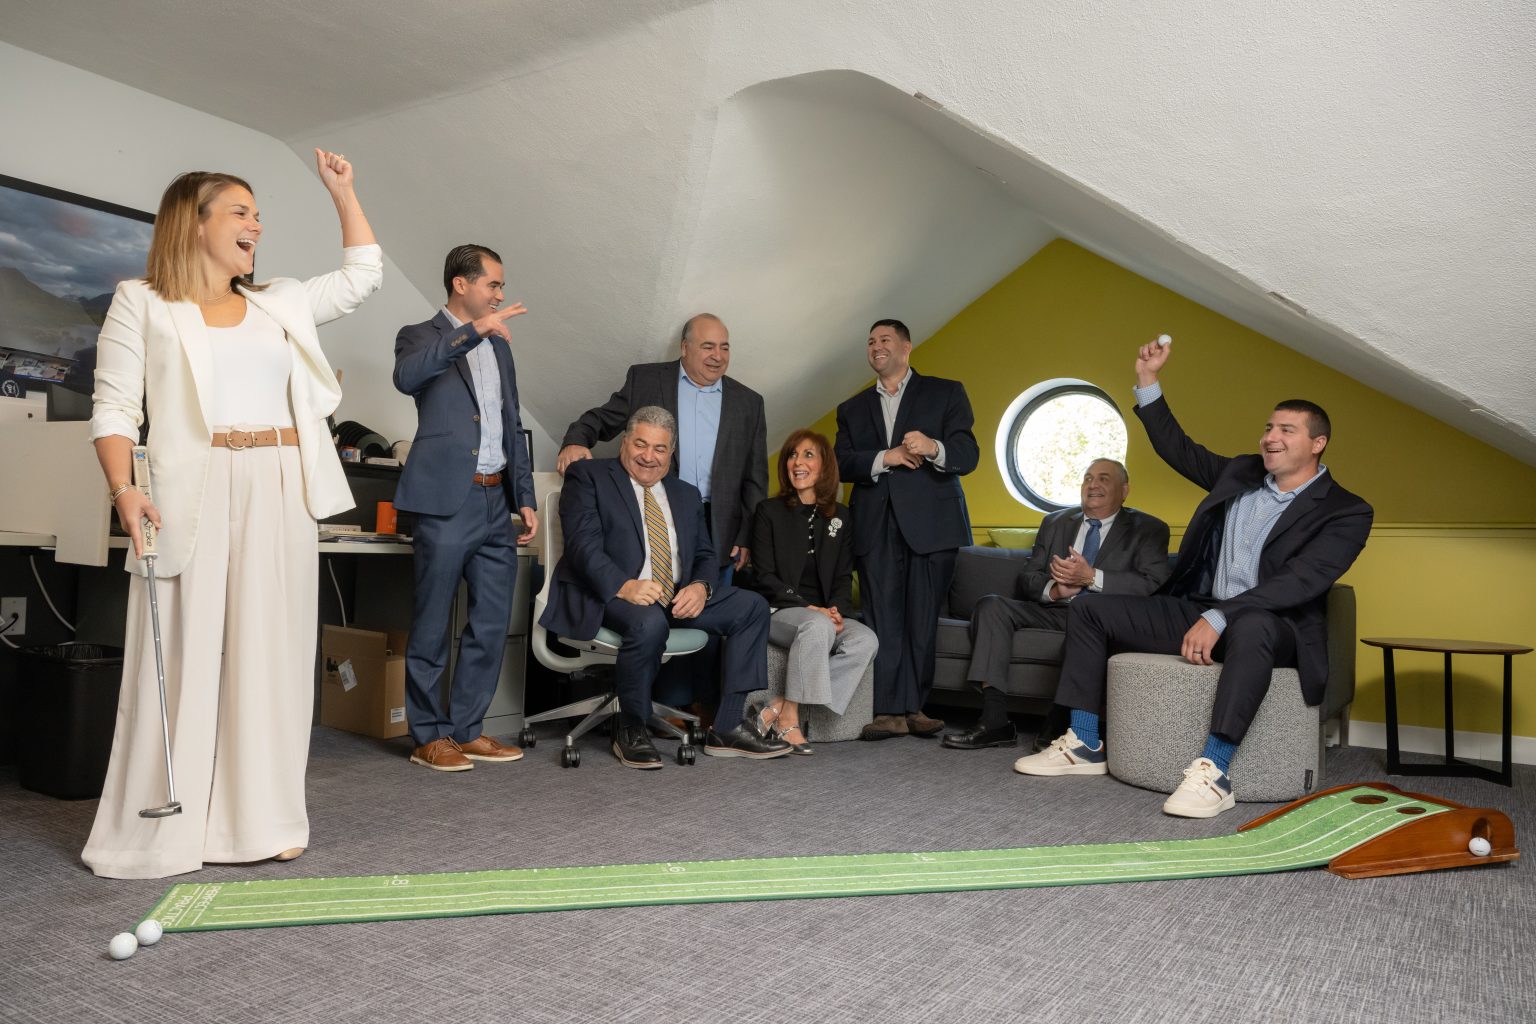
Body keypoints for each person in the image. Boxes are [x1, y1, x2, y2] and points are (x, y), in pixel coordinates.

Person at [83, 151, 382, 878]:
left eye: (258, 214)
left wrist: (343, 193)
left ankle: (261, 822)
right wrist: (124, 489)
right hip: (190, 486)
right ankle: (165, 828)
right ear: (195, 223)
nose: (256, 225)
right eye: (241, 212)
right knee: (182, 651)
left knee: (271, 652)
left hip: (279, 483)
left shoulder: (280, 300)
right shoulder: (141, 301)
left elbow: (362, 276)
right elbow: (114, 407)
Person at [1014, 338, 1373, 818]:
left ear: (1317, 443)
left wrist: (1222, 616)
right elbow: (1179, 449)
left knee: (1254, 623)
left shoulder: (1346, 510)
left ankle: (1215, 772)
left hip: (1273, 625)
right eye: (1269, 427)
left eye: (1287, 430)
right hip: (1199, 608)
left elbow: (1301, 582)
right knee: (1090, 607)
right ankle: (1084, 742)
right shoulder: (1242, 473)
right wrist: (1147, 381)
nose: (1271, 437)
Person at [539, 406, 790, 768]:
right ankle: (631, 728)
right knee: (648, 622)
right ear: (625, 442)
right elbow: (582, 547)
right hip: (607, 594)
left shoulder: (685, 494)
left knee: (751, 608)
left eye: (659, 448)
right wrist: (624, 586)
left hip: (671, 596)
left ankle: (727, 727)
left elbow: (704, 554)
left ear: (671, 453)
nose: (649, 456)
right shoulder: (589, 477)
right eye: (640, 444)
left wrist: (701, 587)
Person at [392, 244, 538, 772]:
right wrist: (474, 332)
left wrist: (525, 497)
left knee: (491, 622)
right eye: (492, 284)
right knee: (433, 622)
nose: (499, 294)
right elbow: (407, 378)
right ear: (461, 284)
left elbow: (510, 422)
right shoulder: (420, 335)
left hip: (496, 501)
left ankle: (467, 729)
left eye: (500, 286)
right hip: (445, 502)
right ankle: (428, 737)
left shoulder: (501, 347)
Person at [942, 458, 1171, 751]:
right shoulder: (1056, 522)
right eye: (1088, 478)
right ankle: (995, 720)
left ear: (1124, 490)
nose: (1093, 485)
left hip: (1098, 620)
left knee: (1086, 628)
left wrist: (1091, 577)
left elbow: (1151, 583)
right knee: (991, 605)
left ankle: (1058, 719)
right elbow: (1029, 577)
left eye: (1104, 478)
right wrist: (1055, 590)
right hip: (1054, 610)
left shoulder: (1149, 529)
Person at [833, 319, 978, 741]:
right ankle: (887, 712)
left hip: (934, 525)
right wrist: (887, 457)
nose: (876, 346)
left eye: (885, 339)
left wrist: (933, 448)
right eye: (871, 341)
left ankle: (915, 707)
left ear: (907, 347)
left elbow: (968, 453)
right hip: (874, 525)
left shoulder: (946, 392)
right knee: (882, 617)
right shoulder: (851, 408)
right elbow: (841, 463)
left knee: (922, 618)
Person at [555, 313, 766, 583]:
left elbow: (755, 477)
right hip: (654, 511)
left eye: (724, 347)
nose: (718, 356)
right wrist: (576, 440)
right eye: (708, 346)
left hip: (720, 529)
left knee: (709, 600)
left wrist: (747, 534)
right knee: (651, 597)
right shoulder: (646, 380)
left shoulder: (749, 403)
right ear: (684, 347)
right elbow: (604, 418)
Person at [747, 430, 879, 754]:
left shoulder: (841, 516)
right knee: (817, 626)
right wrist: (810, 609)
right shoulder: (768, 511)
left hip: (823, 615)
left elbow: (843, 576)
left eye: (808, 455)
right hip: (779, 610)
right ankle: (789, 720)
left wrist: (836, 611)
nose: (797, 462)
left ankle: (779, 706)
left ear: (825, 466)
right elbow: (764, 577)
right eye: (792, 455)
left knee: (865, 640)